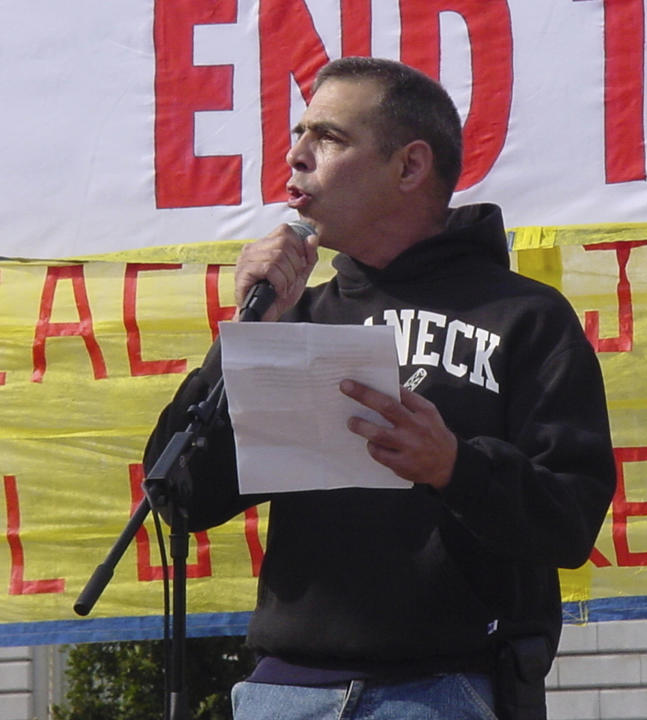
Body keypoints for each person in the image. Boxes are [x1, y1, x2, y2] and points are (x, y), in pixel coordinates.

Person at [144, 56, 615, 720]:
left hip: (446, 687)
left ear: (409, 167)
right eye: (298, 134)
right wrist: (248, 332)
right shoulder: (298, 315)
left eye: (328, 137)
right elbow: (181, 495)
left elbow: (570, 520)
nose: (296, 155)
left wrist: (456, 468)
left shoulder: (525, 318)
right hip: (285, 689)